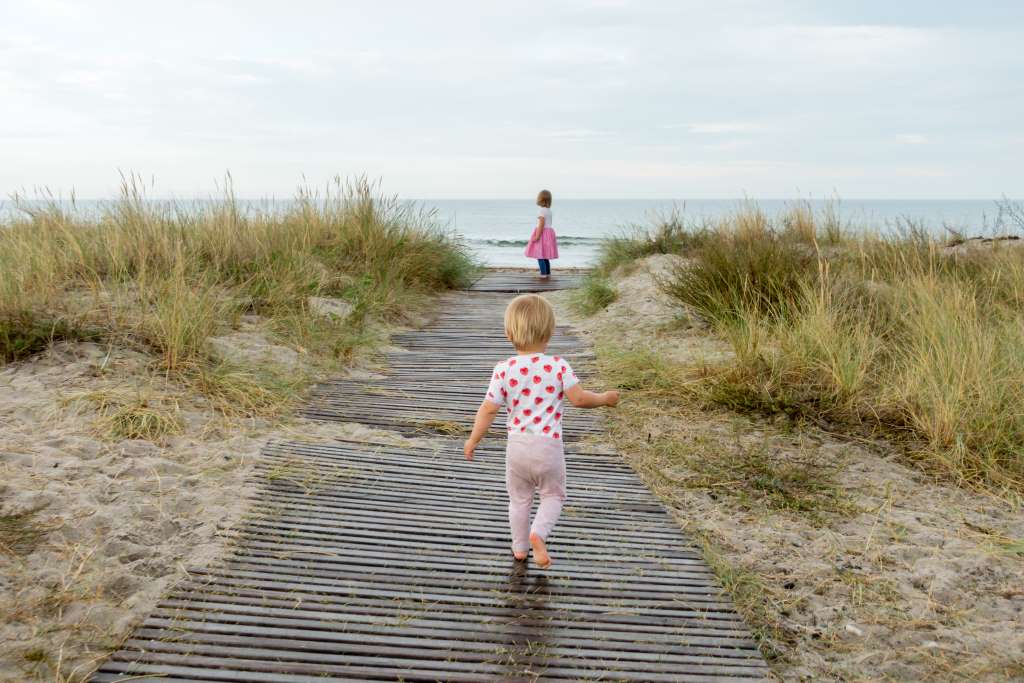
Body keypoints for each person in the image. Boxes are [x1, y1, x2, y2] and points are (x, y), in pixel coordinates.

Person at [463, 294, 620, 569]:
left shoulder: (503, 370)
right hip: (548, 447)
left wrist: (473, 439)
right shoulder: (558, 365)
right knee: (553, 495)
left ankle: (520, 548)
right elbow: (580, 399)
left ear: (508, 333)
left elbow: (488, 409)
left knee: (519, 499)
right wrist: (605, 398)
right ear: (550, 332)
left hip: (517, 449)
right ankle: (539, 533)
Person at [524, 189, 559, 279]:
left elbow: (541, 224)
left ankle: (543, 274)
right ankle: (547, 273)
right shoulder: (549, 210)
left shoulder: (541, 211)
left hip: (542, 233)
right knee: (545, 255)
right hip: (549, 232)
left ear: (540, 199)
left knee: (540, 255)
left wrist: (537, 236)